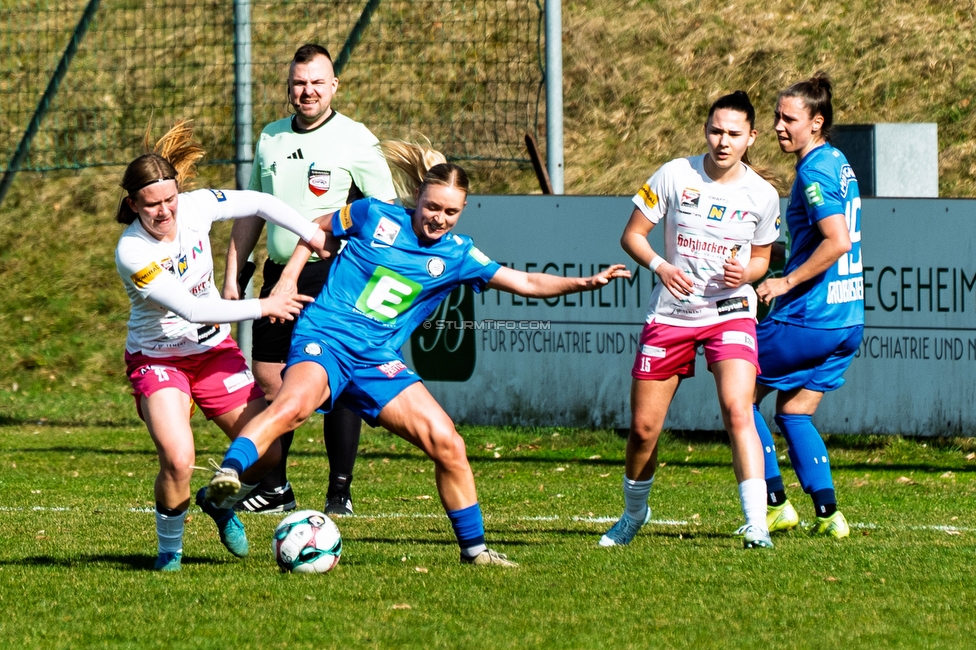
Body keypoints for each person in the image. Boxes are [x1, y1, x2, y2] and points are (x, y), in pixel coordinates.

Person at [204, 141, 632, 566]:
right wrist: (289, 276)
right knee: (293, 406)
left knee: (448, 442)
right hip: (328, 337)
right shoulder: (374, 214)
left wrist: (582, 283)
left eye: (451, 212)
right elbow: (320, 224)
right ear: (418, 198)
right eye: (432, 207)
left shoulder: (459, 254)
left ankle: (476, 551)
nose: (439, 219)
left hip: (376, 359)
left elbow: (525, 283)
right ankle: (229, 475)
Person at [114, 120, 328, 571]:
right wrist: (266, 304)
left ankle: (218, 503)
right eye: (151, 205)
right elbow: (194, 311)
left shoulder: (195, 206)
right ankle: (169, 554)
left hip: (212, 353)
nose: (165, 212)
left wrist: (310, 235)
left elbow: (262, 202)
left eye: (170, 199)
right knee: (178, 457)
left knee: (268, 452)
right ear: (133, 204)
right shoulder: (132, 252)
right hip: (159, 360)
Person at [601, 91, 781, 550]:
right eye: (716, 130)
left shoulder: (762, 194)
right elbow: (631, 236)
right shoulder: (675, 174)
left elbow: (762, 259)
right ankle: (633, 515)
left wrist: (749, 272)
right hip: (673, 313)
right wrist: (661, 266)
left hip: (731, 312)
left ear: (751, 137)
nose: (723, 141)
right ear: (706, 129)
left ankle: (756, 523)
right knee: (643, 430)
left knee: (739, 409)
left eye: (734, 134)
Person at [223, 43, 397, 516]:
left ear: (334, 86)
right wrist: (233, 272)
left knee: (332, 382)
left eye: (318, 82)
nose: (308, 91)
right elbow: (251, 209)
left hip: (334, 275)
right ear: (289, 87)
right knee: (269, 380)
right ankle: (277, 489)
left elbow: (385, 213)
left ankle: (339, 492)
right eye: (300, 82)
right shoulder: (271, 138)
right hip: (279, 273)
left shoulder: (356, 139)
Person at [753, 72, 863, 539]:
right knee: (794, 412)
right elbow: (822, 237)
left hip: (810, 316)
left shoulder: (814, 170)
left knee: (735, 388)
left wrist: (785, 281)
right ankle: (829, 514)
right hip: (847, 319)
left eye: (788, 118)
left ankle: (774, 504)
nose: (779, 126)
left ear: (816, 123)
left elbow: (836, 241)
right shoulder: (837, 161)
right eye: (777, 116)